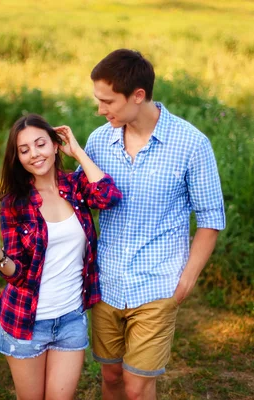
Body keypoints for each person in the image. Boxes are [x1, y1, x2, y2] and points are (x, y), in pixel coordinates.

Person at [81, 49, 226, 399]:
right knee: (112, 377)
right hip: (107, 283)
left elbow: (210, 217)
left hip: (158, 286)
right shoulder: (99, 141)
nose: (100, 110)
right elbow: (78, 199)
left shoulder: (192, 144)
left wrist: (186, 280)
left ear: (138, 95)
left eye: (107, 101)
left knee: (136, 387)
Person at [0, 114, 122, 400]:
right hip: (27, 322)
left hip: (71, 319)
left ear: (55, 145)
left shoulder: (74, 186)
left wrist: (77, 151)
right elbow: (18, 274)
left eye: (40, 144)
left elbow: (108, 196)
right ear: (18, 158)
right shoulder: (15, 203)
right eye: (25, 150)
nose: (35, 154)